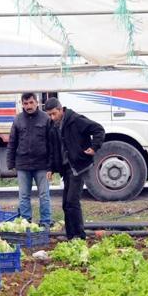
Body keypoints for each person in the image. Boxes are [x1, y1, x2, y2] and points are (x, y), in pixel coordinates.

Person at [43, 97, 104, 240]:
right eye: (49, 115)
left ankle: (79, 235)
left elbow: (98, 129)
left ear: (60, 109)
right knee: (66, 203)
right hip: (67, 168)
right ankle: (71, 235)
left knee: (72, 201)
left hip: (79, 166)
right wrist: (50, 168)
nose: (52, 117)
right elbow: (52, 149)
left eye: (53, 114)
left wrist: (94, 147)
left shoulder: (75, 120)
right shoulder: (52, 125)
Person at [7, 93, 55, 226]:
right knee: (23, 197)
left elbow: (52, 144)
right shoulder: (18, 120)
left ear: (37, 102)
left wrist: (51, 166)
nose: (28, 106)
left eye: (31, 103)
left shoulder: (46, 119)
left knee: (44, 196)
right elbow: (12, 142)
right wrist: (10, 163)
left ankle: (46, 221)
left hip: (42, 165)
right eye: (26, 103)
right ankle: (26, 222)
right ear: (22, 104)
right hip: (23, 165)